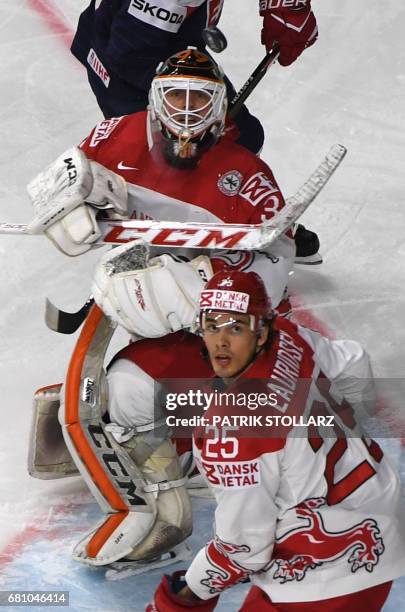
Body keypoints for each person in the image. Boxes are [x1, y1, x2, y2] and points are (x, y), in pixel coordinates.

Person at [141, 269, 405, 611]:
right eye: (212, 326)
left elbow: (244, 549)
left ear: (260, 331)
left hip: (327, 574)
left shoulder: (232, 429)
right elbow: (353, 362)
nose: (221, 341)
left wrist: (179, 598)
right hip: (381, 516)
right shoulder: (290, 336)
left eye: (236, 328)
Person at [28, 47, 320, 318]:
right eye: (176, 95)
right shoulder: (115, 134)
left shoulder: (249, 177)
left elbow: (277, 259)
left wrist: (203, 287)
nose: (187, 108)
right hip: (146, 284)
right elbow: (58, 185)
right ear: (156, 99)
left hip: (230, 317)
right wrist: (73, 208)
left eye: (200, 98)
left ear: (218, 106)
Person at [70, 0, 318, 154]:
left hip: (163, 42)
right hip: (124, 68)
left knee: (240, 138)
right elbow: (130, 54)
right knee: (196, 152)